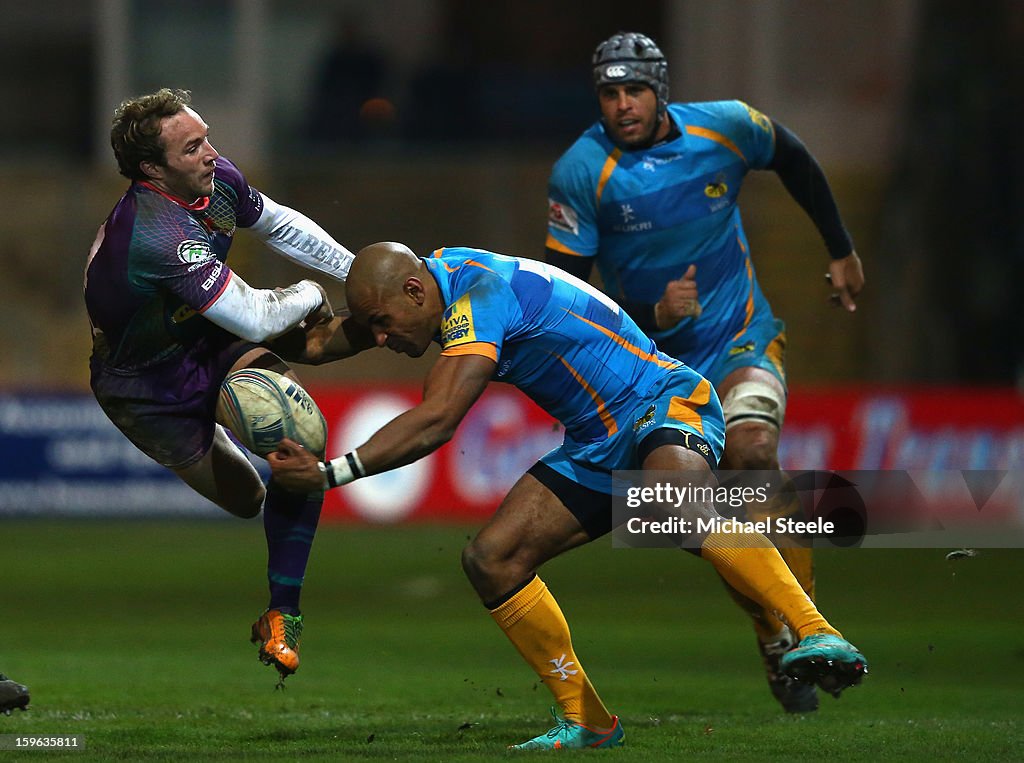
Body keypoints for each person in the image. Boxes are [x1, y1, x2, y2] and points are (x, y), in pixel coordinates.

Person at [266, 242, 868, 750]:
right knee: (491, 560)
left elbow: (440, 418)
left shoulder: (480, 299)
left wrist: (327, 474)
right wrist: (232, 332)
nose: (379, 338)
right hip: (596, 441)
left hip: (660, 398)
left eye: (384, 325)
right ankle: (588, 720)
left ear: (415, 296)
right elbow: (325, 342)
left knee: (676, 501)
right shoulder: (427, 285)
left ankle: (812, 630)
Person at [543, 31, 866, 713]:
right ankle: (771, 630)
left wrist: (840, 248)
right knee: (699, 514)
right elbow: (567, 296)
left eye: (634, 89)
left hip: (739, 339)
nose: (623, 105)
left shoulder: (725, 126)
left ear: (660, 89)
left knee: (754, 454)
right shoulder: (580, 171)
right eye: (610, 92)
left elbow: (794, 156)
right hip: (654, 372)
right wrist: (650, 311)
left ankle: (807, 625)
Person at [84, 88, 366, 683]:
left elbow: (280, 225)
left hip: (209, 341)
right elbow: (260, 315)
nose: (212, 153)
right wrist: (313, 292)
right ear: (151, 169)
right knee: (248, 499)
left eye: (207, 137)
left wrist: (357, 275)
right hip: (143, 386)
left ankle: (282, 615)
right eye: (193, 147)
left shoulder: (209, 179)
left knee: (298, 438)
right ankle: (386, 324)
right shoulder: (156, 233)